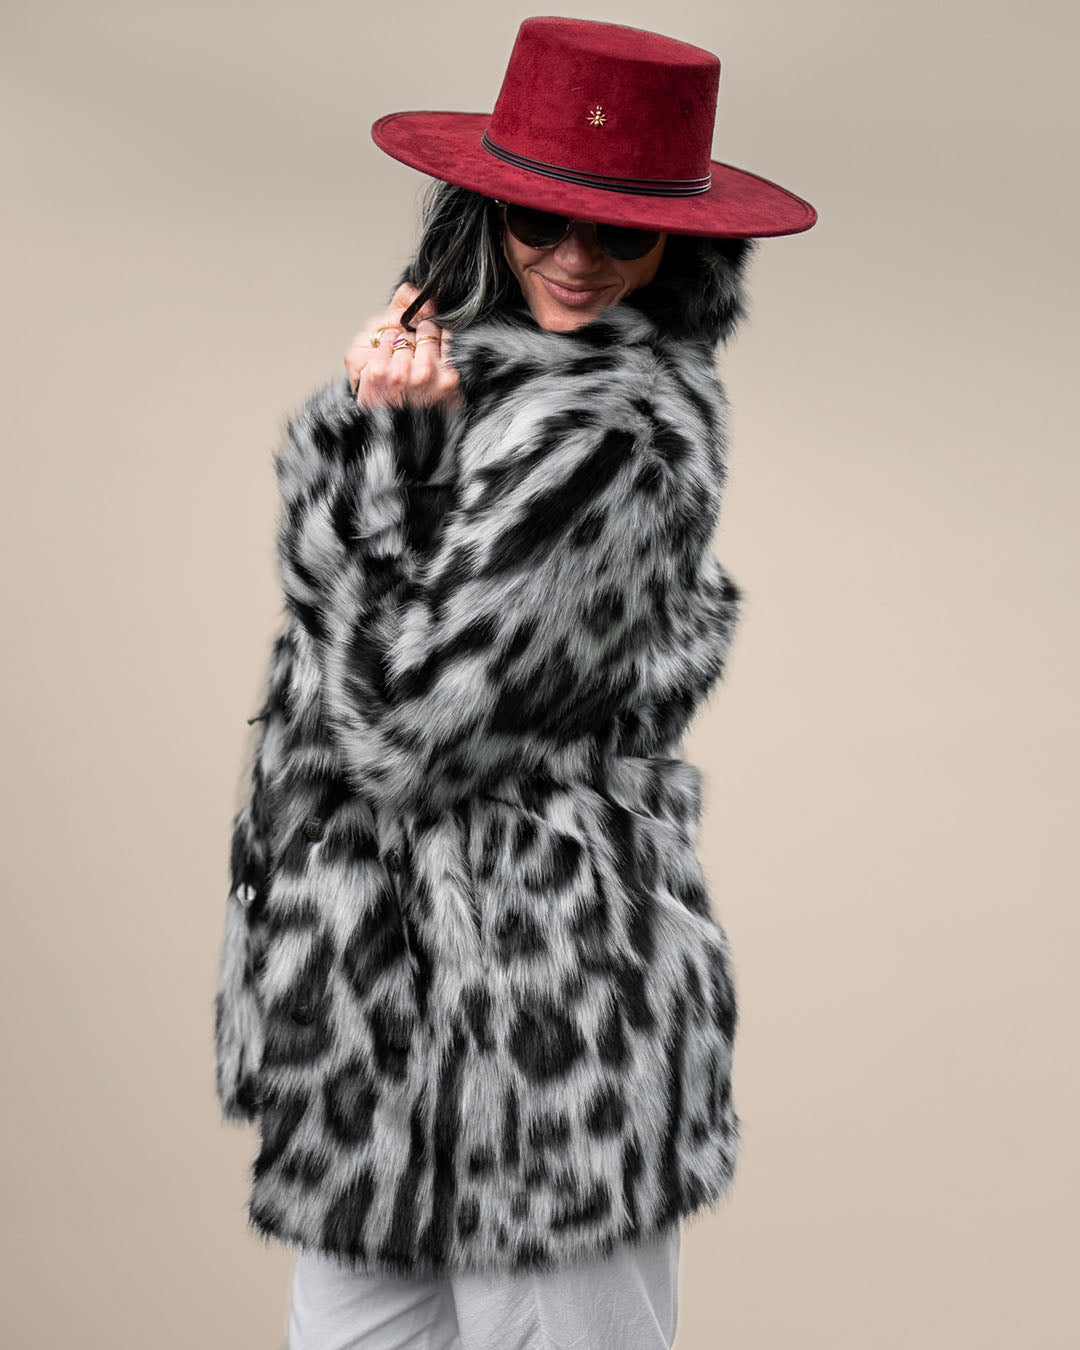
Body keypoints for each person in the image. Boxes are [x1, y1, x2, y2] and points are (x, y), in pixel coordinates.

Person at [213, 15, 817, 1350]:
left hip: (542, 1005)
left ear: (684, 247)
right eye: (541, 223)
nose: (576, 261)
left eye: (620, 233)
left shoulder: (619, 433)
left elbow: (403, 734)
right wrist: (396, 443)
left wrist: (367, 454)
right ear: (483, 214)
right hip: (368, 995)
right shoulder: (469, 390)